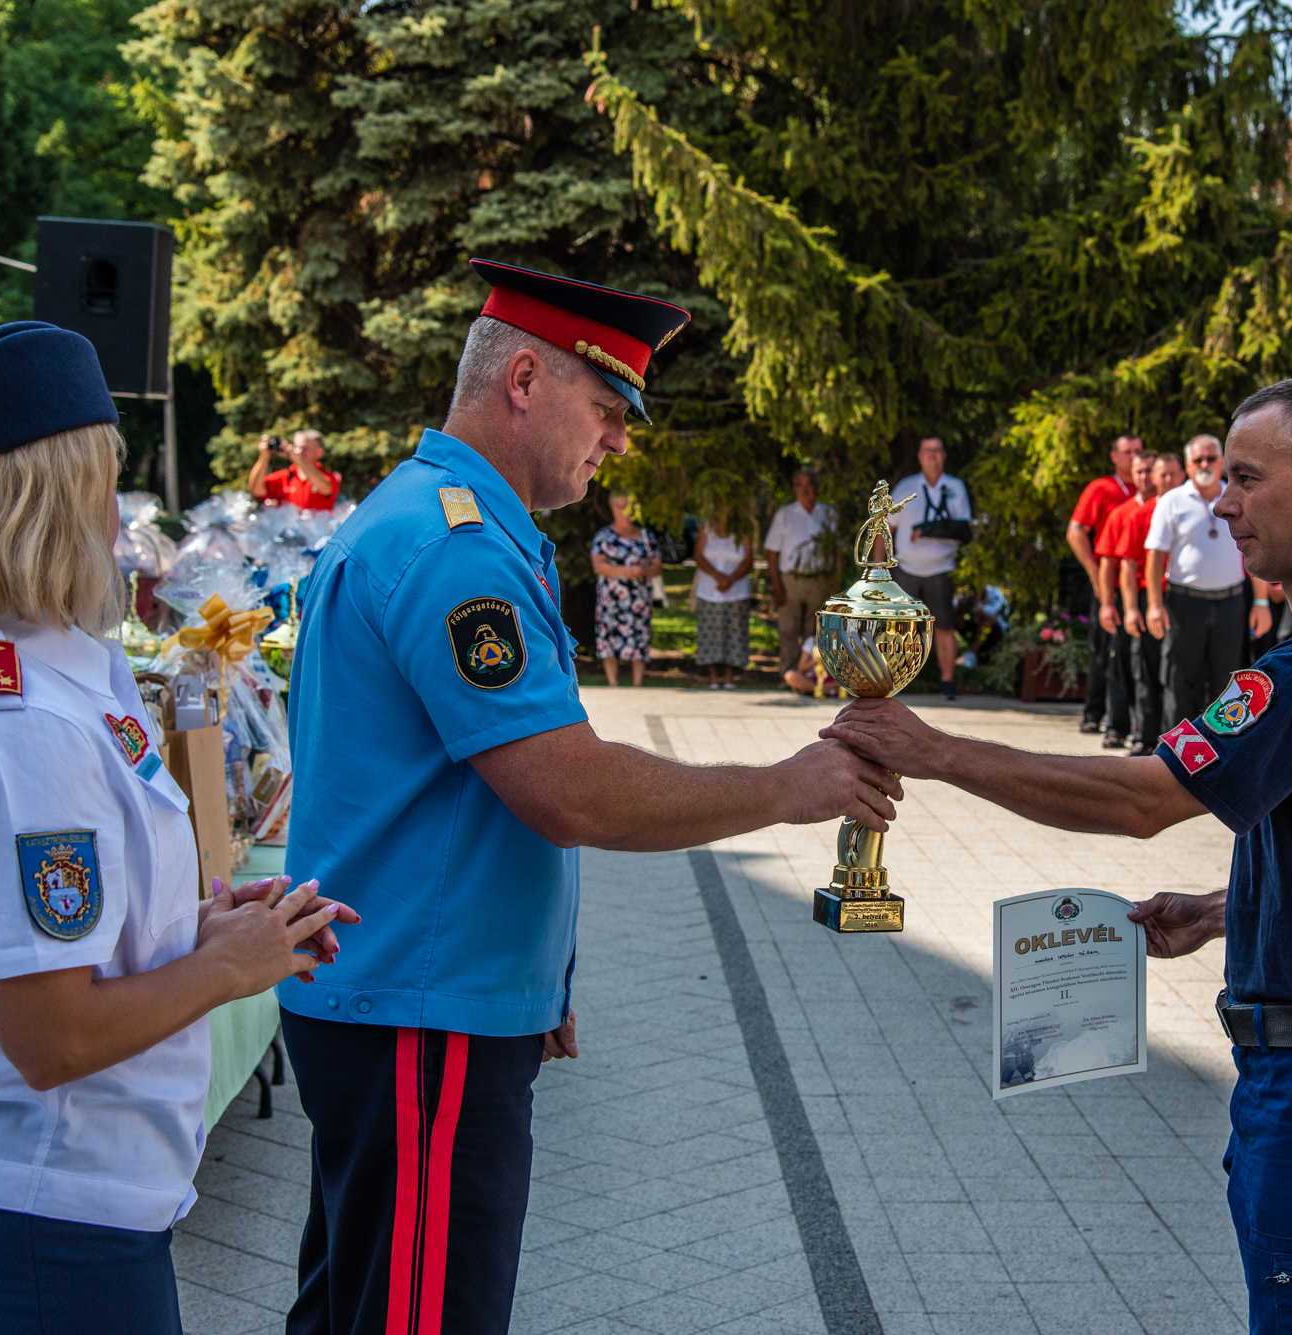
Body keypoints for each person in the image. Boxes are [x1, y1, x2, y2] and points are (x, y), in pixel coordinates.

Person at [280, 261, 897, 1335]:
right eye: (606, 409)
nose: (617, 442)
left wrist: (536, 974)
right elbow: (567, 791)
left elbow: (463, 789)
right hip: (422, 1015)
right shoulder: (455, 549)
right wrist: (785, 787)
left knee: (363, 1307)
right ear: (524, 378)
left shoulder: (455, 521)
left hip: (428, 999)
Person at [823, 375, 1292, 1335]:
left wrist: (937, 750)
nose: (1222, 501)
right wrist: (1226, 907)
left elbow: (1140, 799)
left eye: (1246, 478)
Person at [0, 321, 354, 1333]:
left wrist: (204, 929)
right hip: (37, 1231)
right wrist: (227, 971)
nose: (117, 509)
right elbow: (56, 1034)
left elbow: (58, 936)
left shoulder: (26, 662)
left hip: (41, 1216)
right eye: (103, 471)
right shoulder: (19, 717)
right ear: (47, 488)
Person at [1144, 433, 1272, 731]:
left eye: (1211, 458)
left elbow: (1255, 552)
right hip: (1183, 604)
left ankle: (1219, 759)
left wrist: (1262, 602)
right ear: (1187, 466)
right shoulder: (1171, 502)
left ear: (1223, 463)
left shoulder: (1240, 499)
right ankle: (1172, 759)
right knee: (1180, 681)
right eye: (1197, 459)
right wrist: (1153, 605)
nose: (1205, 464)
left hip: (1230, 604)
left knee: (1226, 684)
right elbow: (1154, 556)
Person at [1067, 436, 1144, 735]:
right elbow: (1075, 532)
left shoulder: (1150, 490)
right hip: (1108, 582)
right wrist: (1094, 572)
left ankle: (1130, 719)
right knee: (1103, 650)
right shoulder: (1101, 488)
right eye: (1128, 452)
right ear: (1114, 456)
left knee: (1132, 654)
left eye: (1138, 451)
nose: (1133, 457)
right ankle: (1093, 713)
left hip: (1141, 584)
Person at [888, 436, 972, 701]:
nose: (932, 456)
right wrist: (880, 570)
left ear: (944, 456)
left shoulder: (955, 487)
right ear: (919, 456)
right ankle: (891, 679)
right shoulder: (905, 487)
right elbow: (885, 529)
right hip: (905, 567)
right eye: (927, 451)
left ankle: (947, 682)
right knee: (897, 626)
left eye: (937, 451)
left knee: (944, 626)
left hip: (941, 568)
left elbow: (962, 529)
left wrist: (927, 531)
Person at [1117, 453, 1187, 752]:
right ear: (1153, 479)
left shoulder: (1201, 509)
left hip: (1186, 598)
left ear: (1183, 475)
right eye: (1163, 475)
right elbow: (1128, 567)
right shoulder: (1139, 515)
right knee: (1146, 669)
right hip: (1151, 598)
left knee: (1181, 671)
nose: (1168, 480)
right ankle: (1145, 738)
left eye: (1173, 474)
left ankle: (1178, 739)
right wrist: (1132, 609)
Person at [1093, 452, 1155, 748]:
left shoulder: (1169, 508)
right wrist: (1106, 603)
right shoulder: (1121, 513)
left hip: (1159, 597)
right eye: (1139, 472)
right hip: (1127, 599)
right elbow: (1107, 564)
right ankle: (1116, 726)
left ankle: (1148, 728)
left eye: (1149, 471)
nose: (1144, 477)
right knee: (1120, 665)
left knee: (1150, 669)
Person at [763, 469, 838, 668]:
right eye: (800, 486)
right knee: (788, 629)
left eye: (809, 485)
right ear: (794, 489)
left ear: (817, 488)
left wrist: (835, 583)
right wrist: (776, 585)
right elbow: (771, 552)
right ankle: (787, 674)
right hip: (791, 580)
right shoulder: (784, 515)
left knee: (815, 630)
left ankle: (812, 675)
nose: (805, 491)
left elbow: (838, 551)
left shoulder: (828, 514)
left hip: (820, 579)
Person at [590, 491, 661, 687]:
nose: (625, 512)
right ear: (612, 508)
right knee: (609, 638)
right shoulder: (604, 536)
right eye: (621, 506)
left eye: (628, 507)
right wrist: (626, 570)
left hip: (638, 598)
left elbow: (658, 565)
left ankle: (637, 683)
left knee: (639, 637)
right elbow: (599, 566)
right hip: (611, 598)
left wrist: (643, 571)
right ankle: (613, 684)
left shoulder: (646, 536)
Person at [693, 504, 753, 690]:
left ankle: (729, 678)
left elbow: (748, 559)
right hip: (709, 590)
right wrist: (718, 577)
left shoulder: (743, 529)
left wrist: (730, 579)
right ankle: (713, 678)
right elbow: (698, 555)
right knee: (710, 633)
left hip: (737, 591)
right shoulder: (706, 527)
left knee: (734, 633)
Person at [247, 428, 342, 511]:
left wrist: (297, 459)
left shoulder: (329, 477)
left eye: (305, 448)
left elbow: (325, 488)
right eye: (297, 447)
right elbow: (256, 490)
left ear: (319, 452)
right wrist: (264, 456)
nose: (299, 451)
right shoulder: (286, 476)